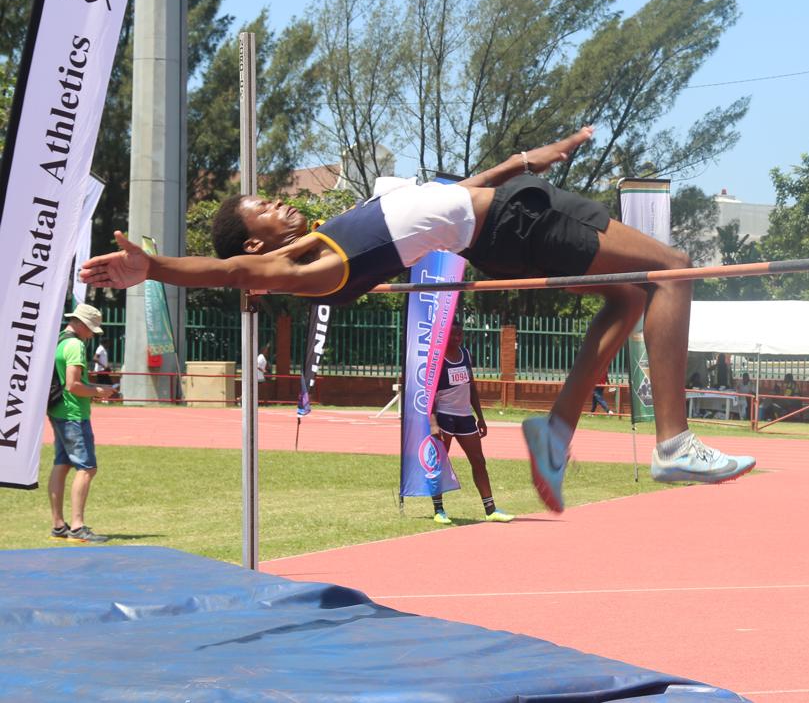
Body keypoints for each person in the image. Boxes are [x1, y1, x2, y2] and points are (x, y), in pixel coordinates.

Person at [81, 126, 755, 513]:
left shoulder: (330, 235)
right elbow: (237, 273)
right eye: (267, 212)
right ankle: (675, 444)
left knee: (631, 297)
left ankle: (556, 431)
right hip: (516, 219)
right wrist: (158, 267)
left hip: (501, 212)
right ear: (257, 244)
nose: (283, 205)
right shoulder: (321, 268)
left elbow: (446, 200)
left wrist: (525, 159)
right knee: (673, 270)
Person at [429, 321, 514, 525]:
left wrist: (481, 417)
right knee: (440, 462)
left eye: (460, 334)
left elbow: (472, 387)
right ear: (445, 335)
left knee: (478, 461)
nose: (457, 337)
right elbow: (429, 393)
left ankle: (490, 509)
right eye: (453, 334)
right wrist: (433, 423)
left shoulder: (465, 354)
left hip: (465, 416)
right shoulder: (437, 358)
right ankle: (439, 510)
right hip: (444, 416)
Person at [48, 304, 117, 543]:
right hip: (73, 413)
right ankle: (77, 527)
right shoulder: (75, 345)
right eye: (91, 329)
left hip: (58, 410)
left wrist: (93, 391)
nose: (92, 334)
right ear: (81, 324)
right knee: (87, 468)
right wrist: (100, 389)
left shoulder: (60, 340)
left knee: (62, 464)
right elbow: (73, 385)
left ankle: (58, 525)